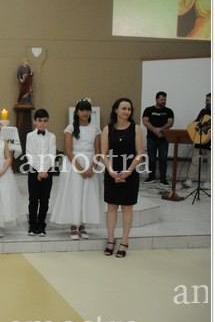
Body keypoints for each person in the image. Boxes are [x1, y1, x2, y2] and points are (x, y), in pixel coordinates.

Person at [50, 99, 103, 239]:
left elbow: (98, 150)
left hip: (91, 162)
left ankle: (83, 224)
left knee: (88, 193)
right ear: (77, 112)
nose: (85, 113)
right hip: (74, 163)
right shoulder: (71, 128)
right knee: (75, 193)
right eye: (82, 110)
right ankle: (74, 224)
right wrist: (80, 169)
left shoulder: (95, 129)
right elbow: (68, 150)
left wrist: (92, 168)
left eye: (88, 110)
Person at [101, 98, 145, 258]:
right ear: (116, 110)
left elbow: (140, 153)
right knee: (111, 207)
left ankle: (125, 241)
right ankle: (110, 240)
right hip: (112, 172)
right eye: (124, 108)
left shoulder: (136, 129)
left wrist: (129, 171)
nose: (127, 111)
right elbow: (103, 154)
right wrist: (111, 170)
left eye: (129, 109)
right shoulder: (107, 129)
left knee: (127, 208)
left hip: (130, 172)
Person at [25, 109, 56, 237]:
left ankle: (41, 225)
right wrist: (39, 169)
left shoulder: (52, 136)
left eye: (45, 121)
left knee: (45, 199)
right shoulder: (30, 136)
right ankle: (32, 225)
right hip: (34, 170)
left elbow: (52, 154)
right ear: (35, 122)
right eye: (39, 121)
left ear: (47, 122)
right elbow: (29, 154)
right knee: (33, 199)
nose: (42, 123)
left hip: (48, 171)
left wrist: (44, 170)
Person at [142, 91, 174, 186]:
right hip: (151, 138)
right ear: (156, 99)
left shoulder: (169, 111)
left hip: (164, 139)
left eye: (165, 99)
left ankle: (163, 179)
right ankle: (151, 177)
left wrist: (161, 129)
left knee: (163, 158)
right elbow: (145, 121)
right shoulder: (148, 110)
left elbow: (170, 122)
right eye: (161, 99)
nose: (163, 101)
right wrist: (154, 130)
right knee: (151, 158)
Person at [184, 93, 211, 188]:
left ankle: (208, 181)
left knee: (211, 163)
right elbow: (197, 122)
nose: (206, 102)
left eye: (208, 100)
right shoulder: (203, 111)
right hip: (200, 140)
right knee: (195, 161)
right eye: (206, 100)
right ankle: (189, 180)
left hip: (211, 142)